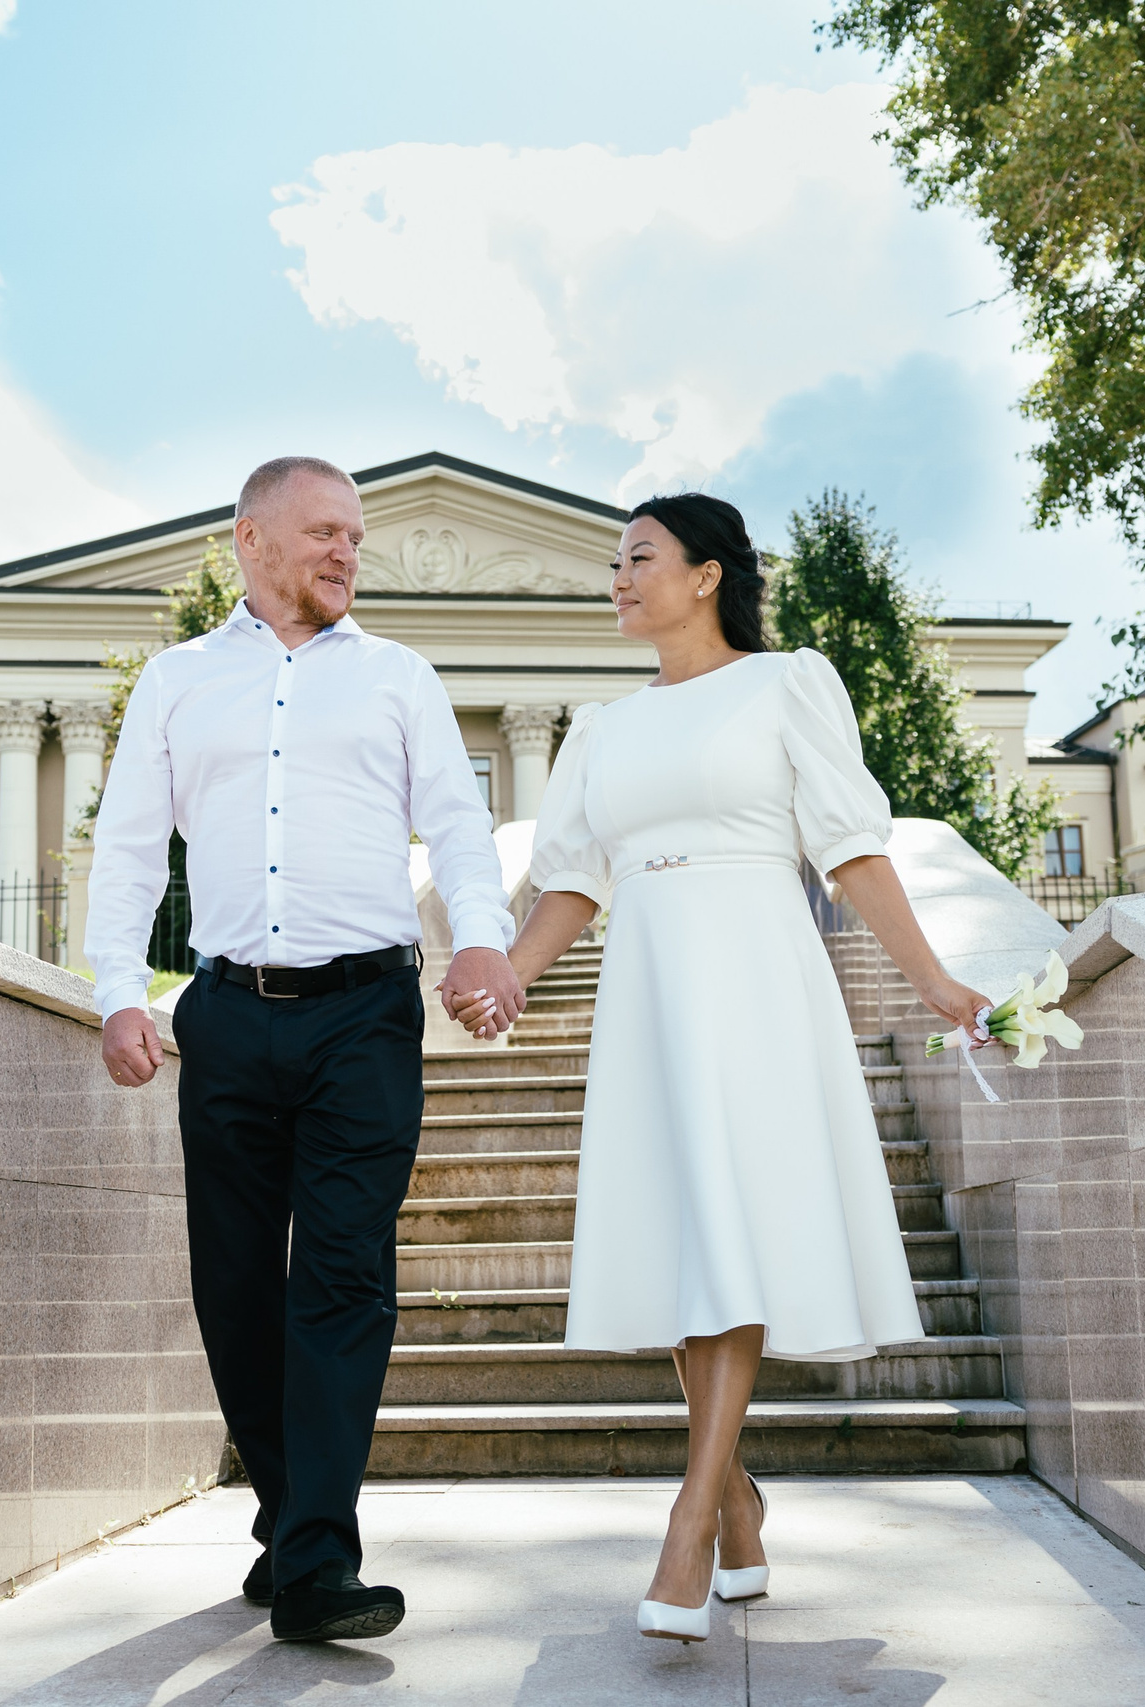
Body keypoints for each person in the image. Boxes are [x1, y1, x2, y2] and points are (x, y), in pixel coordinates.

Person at [450, 493, 996, 1643]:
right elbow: (570, 882)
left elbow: (851, 849)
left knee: (734, 1227)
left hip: (757, 976)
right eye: (612, 562)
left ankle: (692, 1516)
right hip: (647, 986)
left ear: (705, 575)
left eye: (637, 558)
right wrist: (508, 978)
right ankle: (739, 1498)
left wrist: (939, 982)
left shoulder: (787, 681)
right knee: (684, 1234)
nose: (617, 578)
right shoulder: (600, 727)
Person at [86, 455, 526, 1644]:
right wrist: (119, 990)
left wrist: (482, 942)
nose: (347, 552)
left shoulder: (398, 677)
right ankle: (289, 1522)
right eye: (325, 532)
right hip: (225, 1013)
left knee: (341, 1275)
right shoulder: (176, 682)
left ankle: (320, 1560)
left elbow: (458, 828)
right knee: (233, 1284)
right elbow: (129, 846)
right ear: (251, 538)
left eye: (356, 536)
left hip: (365, 1016)